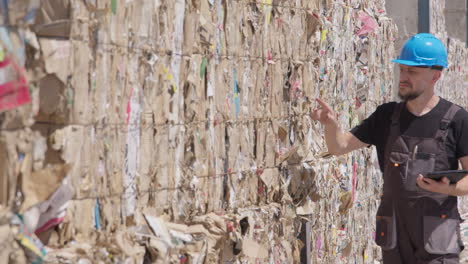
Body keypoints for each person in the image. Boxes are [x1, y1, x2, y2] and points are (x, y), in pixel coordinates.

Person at [311, 33, 468, 263]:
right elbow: (339, 147)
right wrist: (330, 125)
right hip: (395, 238)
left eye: (412, 72)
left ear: (435, 75)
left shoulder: (457, 119)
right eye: (402, 70)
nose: (403, 77)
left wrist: (445, 189)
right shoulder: (386, 116)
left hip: (438, 240)